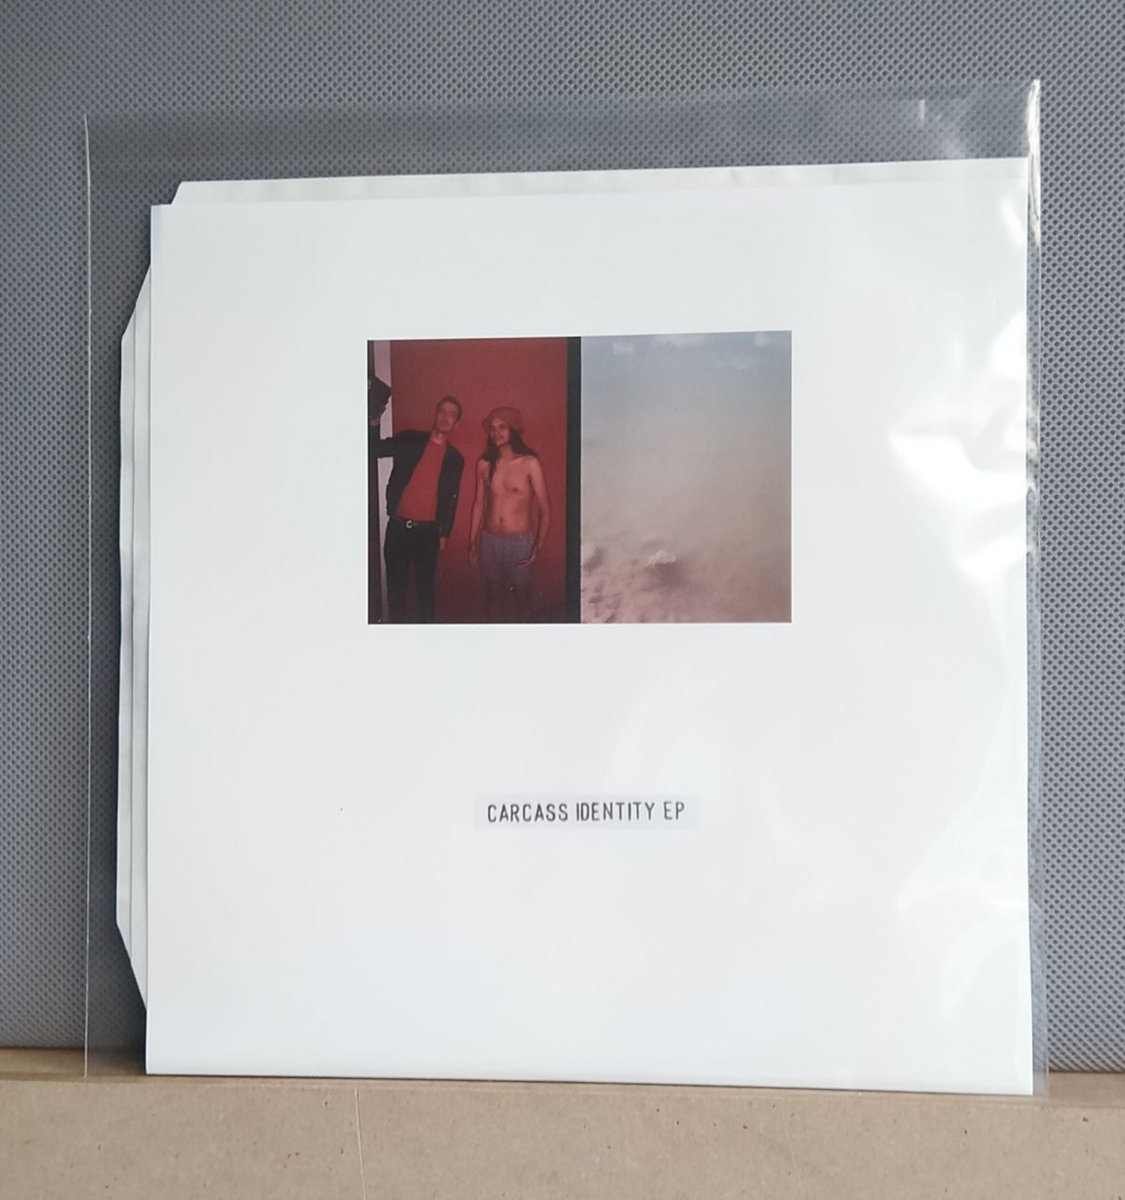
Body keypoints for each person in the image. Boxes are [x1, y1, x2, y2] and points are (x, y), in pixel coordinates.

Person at [370, 395, 465, 622]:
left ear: (456, 423)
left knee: (425, 594)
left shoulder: (455, 459)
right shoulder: (410, 439)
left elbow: (451, 498)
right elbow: (374, 450)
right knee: (396, 592)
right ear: (435, 415)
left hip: (428, 534)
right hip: (398, 529)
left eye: (451, 415)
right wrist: (374, 422)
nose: (445, 417)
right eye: (442, 411)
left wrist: (445, 533)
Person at [469, 406, 550, 621]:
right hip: (489, 541)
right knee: (493, 599)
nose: (496, 433)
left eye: (502, 427)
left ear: (513, 430)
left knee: (523, 600)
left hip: (520, 543)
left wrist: (538, 545)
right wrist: (472, 542)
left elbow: (545, 509)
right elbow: (478, 504)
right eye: (492, 428)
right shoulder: (484, 464)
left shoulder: (530, 463)